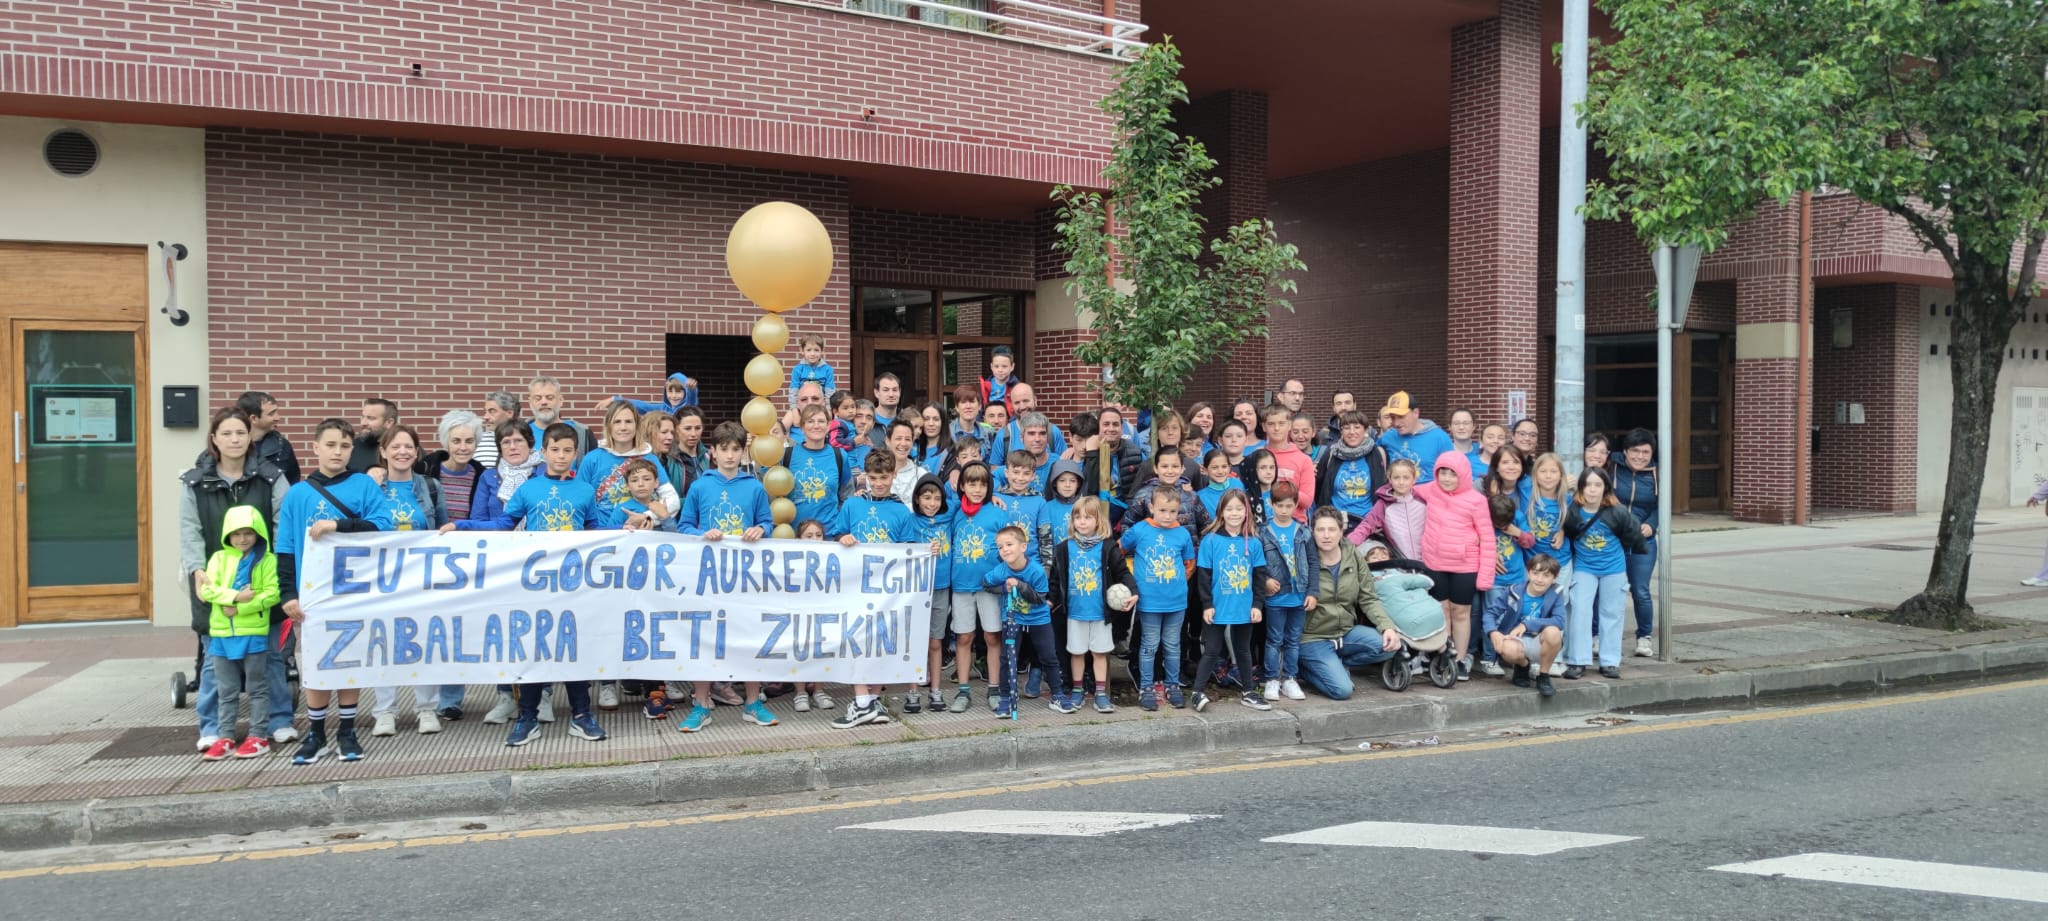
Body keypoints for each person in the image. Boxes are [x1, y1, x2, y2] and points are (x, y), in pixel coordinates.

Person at [446, 423, 607, 745]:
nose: (561, 456)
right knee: (534, 650)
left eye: (567, 451)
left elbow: (596, 530)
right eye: (555, 450)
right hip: (536, 585)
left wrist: (630, 528)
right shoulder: (529, 489)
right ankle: (527, 717)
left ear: (575, 454)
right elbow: (504, 524)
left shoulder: (585, 491)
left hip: (573, 584)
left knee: (573, 649)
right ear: (543, 452)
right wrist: (461, 526)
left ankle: (581, 715)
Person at [279, 418, 395, 765]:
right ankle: (316, 733)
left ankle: (347, 730)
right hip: (313, 594)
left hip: (353, 590)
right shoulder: (297, 494)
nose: (338, 452)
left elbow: (383, 525)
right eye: (330, 445)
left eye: (345, 446)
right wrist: (288, 594)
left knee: (349, 659)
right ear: (315, 447)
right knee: (316, 661)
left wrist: (339, 525)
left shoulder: (363, 486)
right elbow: (285, 547)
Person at [180, 408, 291, 753]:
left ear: (250, 437)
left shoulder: (271, 478)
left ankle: (278, 721)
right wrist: (197, 570)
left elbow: (282, 525)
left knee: (271, 655)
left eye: (240, 433)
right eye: (226, 433)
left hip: (263, 580)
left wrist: (277, 569)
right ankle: (213, 727)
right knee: (214, 660)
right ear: (214, 438)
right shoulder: (195, 483)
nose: (234, 440)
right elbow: (190, 531)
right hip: (214, 582)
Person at [673, 422, 780, 730]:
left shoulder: (754, 487)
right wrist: (701, 533)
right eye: (724, 449)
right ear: (713, 452)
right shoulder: (700, 486)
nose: (730, 455)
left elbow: (767, 522)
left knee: (750, 637)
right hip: (709, 576)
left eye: (735, 449)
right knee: (705, 639)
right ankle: (701, 704)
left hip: (744, 576)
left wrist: (760, 530)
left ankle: (753, 703)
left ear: (743, 451)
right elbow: (684, 526)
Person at [367, 425, 460, 735]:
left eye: (408, 446)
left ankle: (426, 708)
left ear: (417, 452)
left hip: (422, 577)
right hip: (382, 578)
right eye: (395, 446)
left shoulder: (430, 486)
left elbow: (442, 529)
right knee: (383, 642)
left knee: (424, 641)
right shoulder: (370, 486)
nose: (402, 452)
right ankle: (385, 711)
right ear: (383, 451)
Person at [829, 450, 921, 729]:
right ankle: (861, 701)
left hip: (887, 592)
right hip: (856, 587)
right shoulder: (853, 505)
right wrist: (843, 537)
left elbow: (908, 550)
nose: (879, 483)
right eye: (874, 478)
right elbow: (838, 533)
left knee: (883, 644)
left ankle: (870, 700)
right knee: (856, 641)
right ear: (866, 477)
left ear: (894, 475)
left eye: (884, 478)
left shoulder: (901, 511)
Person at [195, 505, 281, 760]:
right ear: (227, 535)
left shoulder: (268, 560)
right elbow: (208, 590)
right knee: (226, 689)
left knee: (257, 687)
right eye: (236, 534)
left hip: (253, 633)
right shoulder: (218, 558)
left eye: (248, 533)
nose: (242, 539)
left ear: (258, 533)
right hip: (222, 635)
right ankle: (225, 736)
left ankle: (258, 736)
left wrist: (240, 609)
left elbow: (272, 594)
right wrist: (237, 596)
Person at [1296, 508, 1399, 701]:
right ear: (1312, 532)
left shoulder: (1353, 554)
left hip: (1345, 632)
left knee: (1390, 646)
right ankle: (1303, 670)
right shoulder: (1303, 557)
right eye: (1320, 530)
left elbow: (1368, 598)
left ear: (1341, 531)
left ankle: (1338, 664)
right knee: (1342, 690)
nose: (1326, 535)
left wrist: (1387, 627)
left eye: (1332, 529)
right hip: (1313, 637)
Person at [1409, 451, 1495, 681]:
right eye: (1442, 473)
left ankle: (1460, 659)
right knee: (1441, 611)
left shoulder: (1477, 500)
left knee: (1461, 613)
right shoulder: (1430, 489)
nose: (1446, 478)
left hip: (1465, 566)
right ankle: (1443, 656)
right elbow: (1406, 486)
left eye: (1452, 474)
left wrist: (1485, 576)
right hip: (1435, 562)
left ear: (1463, 474)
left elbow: (1487, 538)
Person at [1562, 467, 1649, 680]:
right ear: (1581, 488)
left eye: (1598, 485)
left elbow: (1634, 537)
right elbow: (1567, 533)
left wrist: (1629, 566)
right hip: (1584, 567)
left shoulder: (1618, 511)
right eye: (1587, 485)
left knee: (1612, 613)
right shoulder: (1572, 511)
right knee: (1580, 611)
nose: (1592, 489)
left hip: (1613, 569)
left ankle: (1610, 661)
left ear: (1606, 488)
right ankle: (1578, 660)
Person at [1050, 496, 1133, 714]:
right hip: (1074, 613)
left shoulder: (1107, 547)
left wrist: (1133, 592)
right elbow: (1055, 580)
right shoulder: (1064, 548)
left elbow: (1123, 572)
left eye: (1088, 517)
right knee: (1076, 653)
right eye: (1078, 517)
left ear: (1098, 521)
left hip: (1099, 613)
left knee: (1099, 653)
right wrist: (1051, 600)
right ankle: (1077, 690)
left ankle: (1101, 694)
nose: (1082, 522)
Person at [1190, 489, 1269, 712]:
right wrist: (1207, 604)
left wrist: (1257, 605)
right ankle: (1197, 692)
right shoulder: (1210, 540)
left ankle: (1248, 691)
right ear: (1221, 512)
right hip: (1217, 606)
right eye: (1229, 509)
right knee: (1212, 649)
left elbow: (1259, 577)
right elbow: (1203, 576)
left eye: (1239, 509)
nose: (1234, 513)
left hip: (1243, 605)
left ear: (1247, 512)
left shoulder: (1254, 542)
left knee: (1243, 650)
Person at [1120, 486, 1197, 711]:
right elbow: (1119, 550)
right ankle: (1146, 687)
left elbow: (1189, 563)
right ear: (1151, 507)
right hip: (1149, 601)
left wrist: (1177, 582)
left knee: (1173, 645)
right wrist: (1130, 579)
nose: (1167, 516)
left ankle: (1172, 686)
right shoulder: (1139, 530)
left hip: (1176, 601)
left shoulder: (1182, 533)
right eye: (1162, 510)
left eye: (1172, 511)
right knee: (1149, 645)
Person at [945, 462, 1011, 713]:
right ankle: (963, 690)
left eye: (983, 485)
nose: (977, 489)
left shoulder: (997, 512)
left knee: (992, 636)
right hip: (962, 585)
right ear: (962, 486)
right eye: (971, 484)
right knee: (964, 637)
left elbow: (1009, 546)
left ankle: (994, 688)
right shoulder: (954, 511)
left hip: (990, 586)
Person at [983, 526, 1060, 719]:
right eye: (1000, 547)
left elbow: (1040, 598)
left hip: (1038, 618)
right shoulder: (1001, 570)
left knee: (1048, 656)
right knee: (1007, 658)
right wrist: (1004, 589)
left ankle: (1057, 696)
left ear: (1023, 547)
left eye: (1009, 544)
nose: (1005, 550)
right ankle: (1005, 698)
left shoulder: (1036, 571)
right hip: (1012, 618)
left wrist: (1020, 586)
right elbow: (986, 584)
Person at [1258, 482, 1312, 702]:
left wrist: (1313, 592)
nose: (1284, 510)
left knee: (1293, 639)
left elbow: (1313, 563)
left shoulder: (1303, 531)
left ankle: (1290, 678)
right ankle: (1272, 678)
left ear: (1296, 505)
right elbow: (1256, 563)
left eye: (1289, 506)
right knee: (1274, 639)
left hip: (1299, 595)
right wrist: (1265, 581)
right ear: (1271, 504)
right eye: (1279, 505)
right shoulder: (1263, 532)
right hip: (1276, 597)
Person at [904, 476, 954, 714]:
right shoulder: (910, 520)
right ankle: (912, 691)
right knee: (915, 641)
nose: (932, 503)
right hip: (917, 588)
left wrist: (993, 496)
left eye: (937, 498)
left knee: (936, 641)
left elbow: (971, 502)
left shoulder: (949, 514)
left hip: (941, 587)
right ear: (917, 498)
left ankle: (935, 690)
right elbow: (902, 548)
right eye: (926, 498)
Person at [1485, 554, 1566, 698]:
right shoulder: (1514, 591)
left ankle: (1543, 676)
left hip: (1540, 640)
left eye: (1546, 575)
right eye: (1535, 573)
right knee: (1507, 648)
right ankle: (1523, 666)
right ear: (1528, 573)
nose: (1539, 579)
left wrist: (1527, 625)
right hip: (1517, 640)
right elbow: (1490, 613)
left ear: (1555, 578)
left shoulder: (1556, 592)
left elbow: (1559, 620)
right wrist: (1493, 632)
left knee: (1553, 632)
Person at [1613, 429, 1661, 657]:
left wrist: (1651, 524)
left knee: (1640, 590)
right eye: (1634, 451)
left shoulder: (1658, 473)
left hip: (1644, 540)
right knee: (1609, 590)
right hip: (1614, 539)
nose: (1640, 456)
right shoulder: (1612, 466)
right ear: (1625, 451)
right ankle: (1598, 635)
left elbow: (1662, 505)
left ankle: (1644, 637)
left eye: (1645, 452)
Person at [191, 391, 300, 483]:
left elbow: (292, 483)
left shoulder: (281, 446)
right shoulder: (209, 456)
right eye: (271, 414)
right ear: (253, 418)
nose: (277, 418)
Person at [1315, 410, 1387, 530]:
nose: (1352, 432)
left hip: (1368, 524)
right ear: (1341, 431)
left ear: (1366, 430)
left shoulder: (1378, 453)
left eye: (1357, 427)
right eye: (1347, 428)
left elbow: (1384, 488)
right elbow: (1318, 487)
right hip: (1335, 524)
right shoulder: (1332, 453)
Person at [786, 404, 855, 528]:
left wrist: (840, 527)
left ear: (828, 426)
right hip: (795, 533)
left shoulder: (839, 455)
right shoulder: (787, 455)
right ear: (802, 427)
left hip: (830, 533)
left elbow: (847, 495)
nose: (816, 426)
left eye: (821, 421)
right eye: (810, 421)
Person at [1349, 459, 1426, 562]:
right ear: (1390, 479)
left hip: (1427, 562)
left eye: (1406, 478)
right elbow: (1366, 526)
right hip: (1401, 563)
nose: (1401, 482)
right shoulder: (1383, 505)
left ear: (1414, 479)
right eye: (1396, 478)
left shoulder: (1423, 500)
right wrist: (1347, 545)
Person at [1121, 448, 1210, 537]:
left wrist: (1201, 545)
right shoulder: (1143, 495)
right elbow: (1128, 525)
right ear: (1156, 468)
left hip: (1187, 546)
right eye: (1164, 466)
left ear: (1182, 468)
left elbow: (1206, 525)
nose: (1170, 471)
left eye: (1175, 466)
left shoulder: (1191, 496)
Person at [1376, 391, 1456, 484]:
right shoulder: (1388, 437)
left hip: (1428, 492)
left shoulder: (1439, 437)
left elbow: (1454, 471)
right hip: (1397, 492)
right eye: (1393, 417)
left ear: (1416, 413)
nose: (1396, 423)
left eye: (1401, 417)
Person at [1262, 405, 1315, 519]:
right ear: (1264, 427)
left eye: (1281, 423)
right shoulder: (1257, 456)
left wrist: (1284, 487)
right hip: (1263, 522)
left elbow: (1307, 502)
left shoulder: (1304, 460)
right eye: (1271, 424)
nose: (1276, 428)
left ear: (1289, 425)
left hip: (1294, 523)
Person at [527, 374, 597, 461]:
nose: (544, 402)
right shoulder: (520, 434)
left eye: (550, 398)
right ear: (530, 402)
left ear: (561, 400)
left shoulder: (582, 433)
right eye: (538, 398)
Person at [605, 371, 698, 417]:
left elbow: (692, 398)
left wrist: (691, 389)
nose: (673, 396)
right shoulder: (662, 408)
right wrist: (615, 399)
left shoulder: (687, 407)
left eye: (678, 391)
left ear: (685, 392)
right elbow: (642, 406)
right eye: (670, 391)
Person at [347, 398, 397, 473]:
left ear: (389, 422)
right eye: (363, 417)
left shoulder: (404, 450)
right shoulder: (350, 447)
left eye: (371, 418)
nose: (363, 423)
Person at [475, 390, 519, 468]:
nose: (485, 417)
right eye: (485, 412)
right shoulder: (476, 440)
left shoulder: (525, 440)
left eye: (492, 411)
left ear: (509, 413)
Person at [788, 336, 836, 405]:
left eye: (816, 350)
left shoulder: (827, 369)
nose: (812, 354)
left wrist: (828, 407)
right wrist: (793, 407)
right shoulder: (798, 369)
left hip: (820, 405)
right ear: (802, 351)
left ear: (822, 351)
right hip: (803, 404)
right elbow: (794, 390)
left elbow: (830, 391)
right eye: (808, 350)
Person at [911, 401, 953, 471]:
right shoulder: (912, 447)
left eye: (936, 419)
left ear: (943, 422)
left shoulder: (950, 451)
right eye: (926, 419)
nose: (931, 424)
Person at [980, 344, 1021, 412]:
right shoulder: (985, 386)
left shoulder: (1017, 387)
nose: (1000, 370)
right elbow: (981, 408)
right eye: (996, 366)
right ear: (991, 366)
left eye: (1004, 366)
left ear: (1012, 366)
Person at [868, 373, 903, 449]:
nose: (891, 394)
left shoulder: (906, 420)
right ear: (876, 393)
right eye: (886, 390)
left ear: (899, 392)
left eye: (894, 390)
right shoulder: (866, 420)